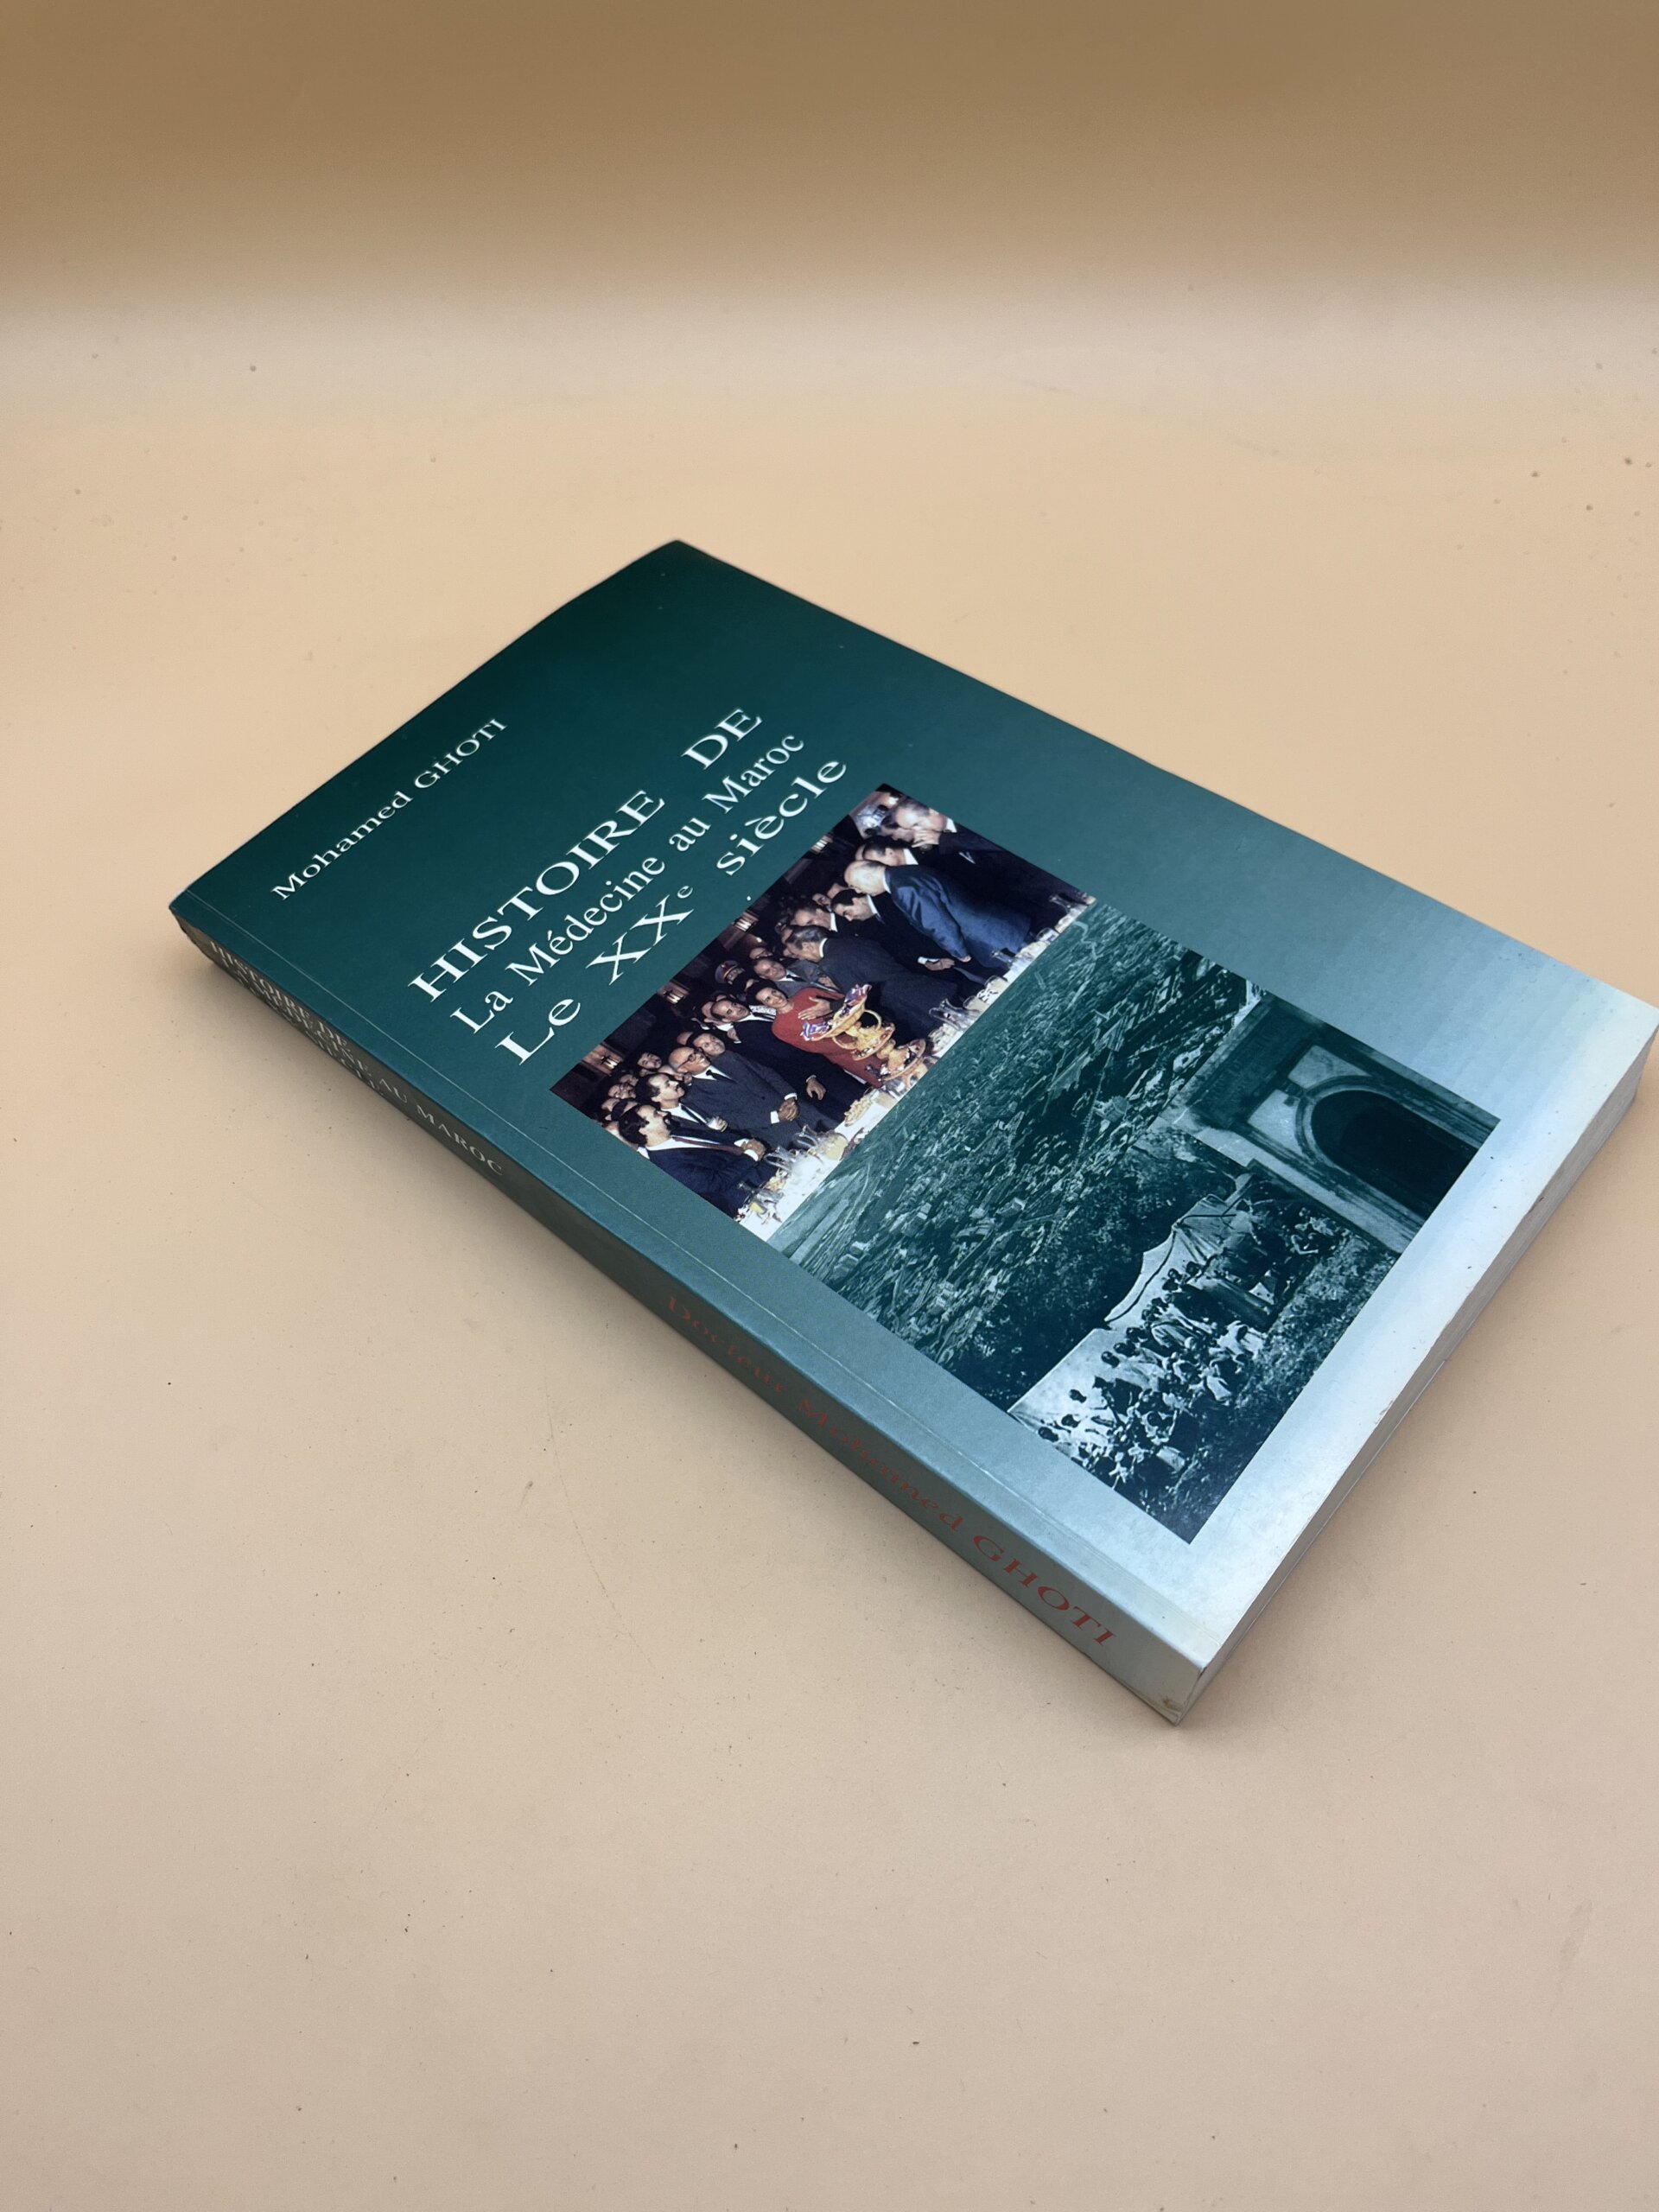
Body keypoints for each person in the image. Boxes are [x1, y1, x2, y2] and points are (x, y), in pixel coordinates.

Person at [779, 920, 973, 1038]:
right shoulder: (851, 940)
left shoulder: (829, 964)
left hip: (916, 1010)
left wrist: (830, 1006)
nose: (802, 959)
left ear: (807, 946)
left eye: (799, 954)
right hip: (931, 989)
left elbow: (859, 999)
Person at [843, 854, 1032, 974]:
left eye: (855, 885)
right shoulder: (904, 873)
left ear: (867, 876)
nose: (858, 891)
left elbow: (936, 921)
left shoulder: (901, 887)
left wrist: (958, 951)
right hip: (998, 928)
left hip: (992, 938)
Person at [749, 980, 925, 1089]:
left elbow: (847, 1001)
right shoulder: (779, 1028)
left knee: (908, 1060)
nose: (775, 998)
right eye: (768, 999)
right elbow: (813, 1047)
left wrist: (832, 1010)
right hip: (847, 1053)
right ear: (765, 1005)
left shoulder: (806, 994)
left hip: (870, 1033)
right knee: (889, 1079)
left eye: (773, 992)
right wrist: (854, 1043)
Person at [615, 1102, 772, 1217]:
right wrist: (751, 1155)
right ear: (643, 1130)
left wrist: (742, 1143)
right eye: (656, 1114)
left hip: (763, 1168)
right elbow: (716, 1183)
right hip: (753, 1193)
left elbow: (714, 1138)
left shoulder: (676, 1132)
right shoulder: (667, 1166)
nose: (664, 1114)